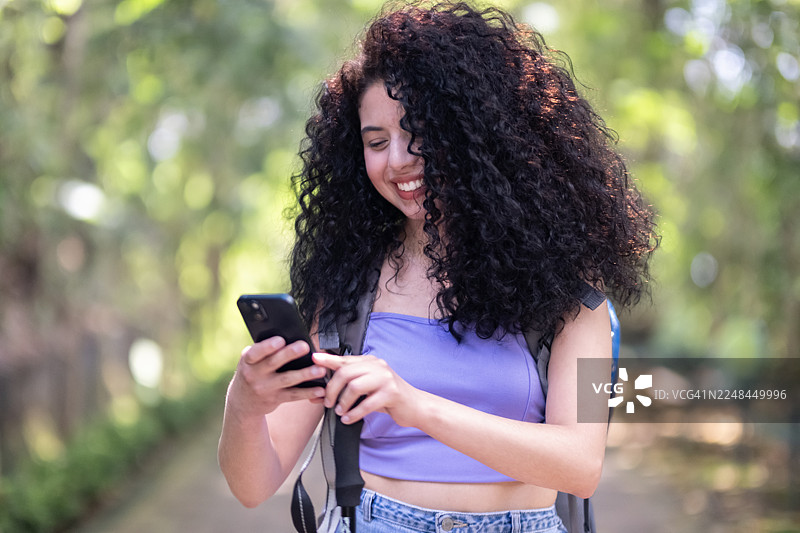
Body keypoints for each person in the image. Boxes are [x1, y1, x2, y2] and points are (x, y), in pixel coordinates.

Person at [218, 2, 657, 532]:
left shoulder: (572, 299)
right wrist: (243, 404)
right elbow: (253, 485)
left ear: (481, 137)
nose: (397, 160)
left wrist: (412, 404)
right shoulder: (345, 290)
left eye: (419, 134)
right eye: (376, 142)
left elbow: (581, 466)